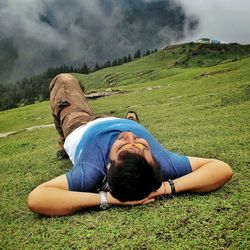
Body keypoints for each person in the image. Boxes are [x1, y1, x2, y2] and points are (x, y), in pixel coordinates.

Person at [28, 73, 233, 216]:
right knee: (130, 127)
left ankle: (63, 143)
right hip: (115, 119)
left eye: (122, 146)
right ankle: (132, 121)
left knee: (64, 81)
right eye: (142, 146)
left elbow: (38, 199)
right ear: (154, 160)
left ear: (108, 166)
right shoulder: (162, 161)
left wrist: (108, 199)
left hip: (80, 126)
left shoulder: (91, 171)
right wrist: (165, 188)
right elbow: (221, 168)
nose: (128, 137)